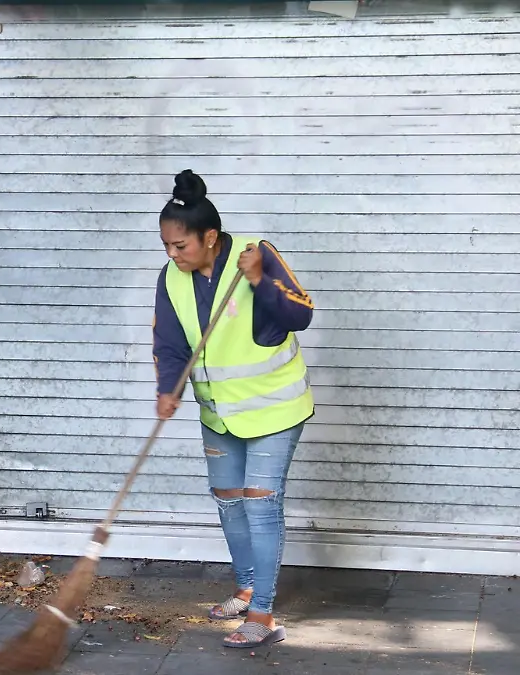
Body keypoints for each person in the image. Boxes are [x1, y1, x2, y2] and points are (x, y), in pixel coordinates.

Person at [152, 170, 314, 649]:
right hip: (219, 413)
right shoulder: (172, 278)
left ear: (210, 237)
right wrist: (169, 389)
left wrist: (260, 279)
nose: (172, 254)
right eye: (166, 245)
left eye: (180, 245)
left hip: (274, 410)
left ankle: (262, 615)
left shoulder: (254, 254)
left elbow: (299, 313)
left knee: (262, 507)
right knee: (229, 501)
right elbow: (170, 340)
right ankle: (246, 588)